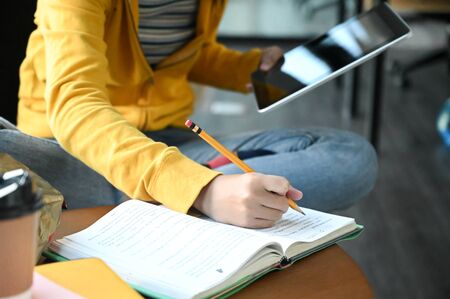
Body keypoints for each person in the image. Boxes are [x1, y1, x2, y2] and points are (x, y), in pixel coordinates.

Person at [0, 0, 377, 228]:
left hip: (168, 140)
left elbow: (185, 52)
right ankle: (184, 196)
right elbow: (75, 106)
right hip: (76, 149)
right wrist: (204, 188)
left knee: (349, 156)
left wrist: (246, 68)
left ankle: (156, 203)